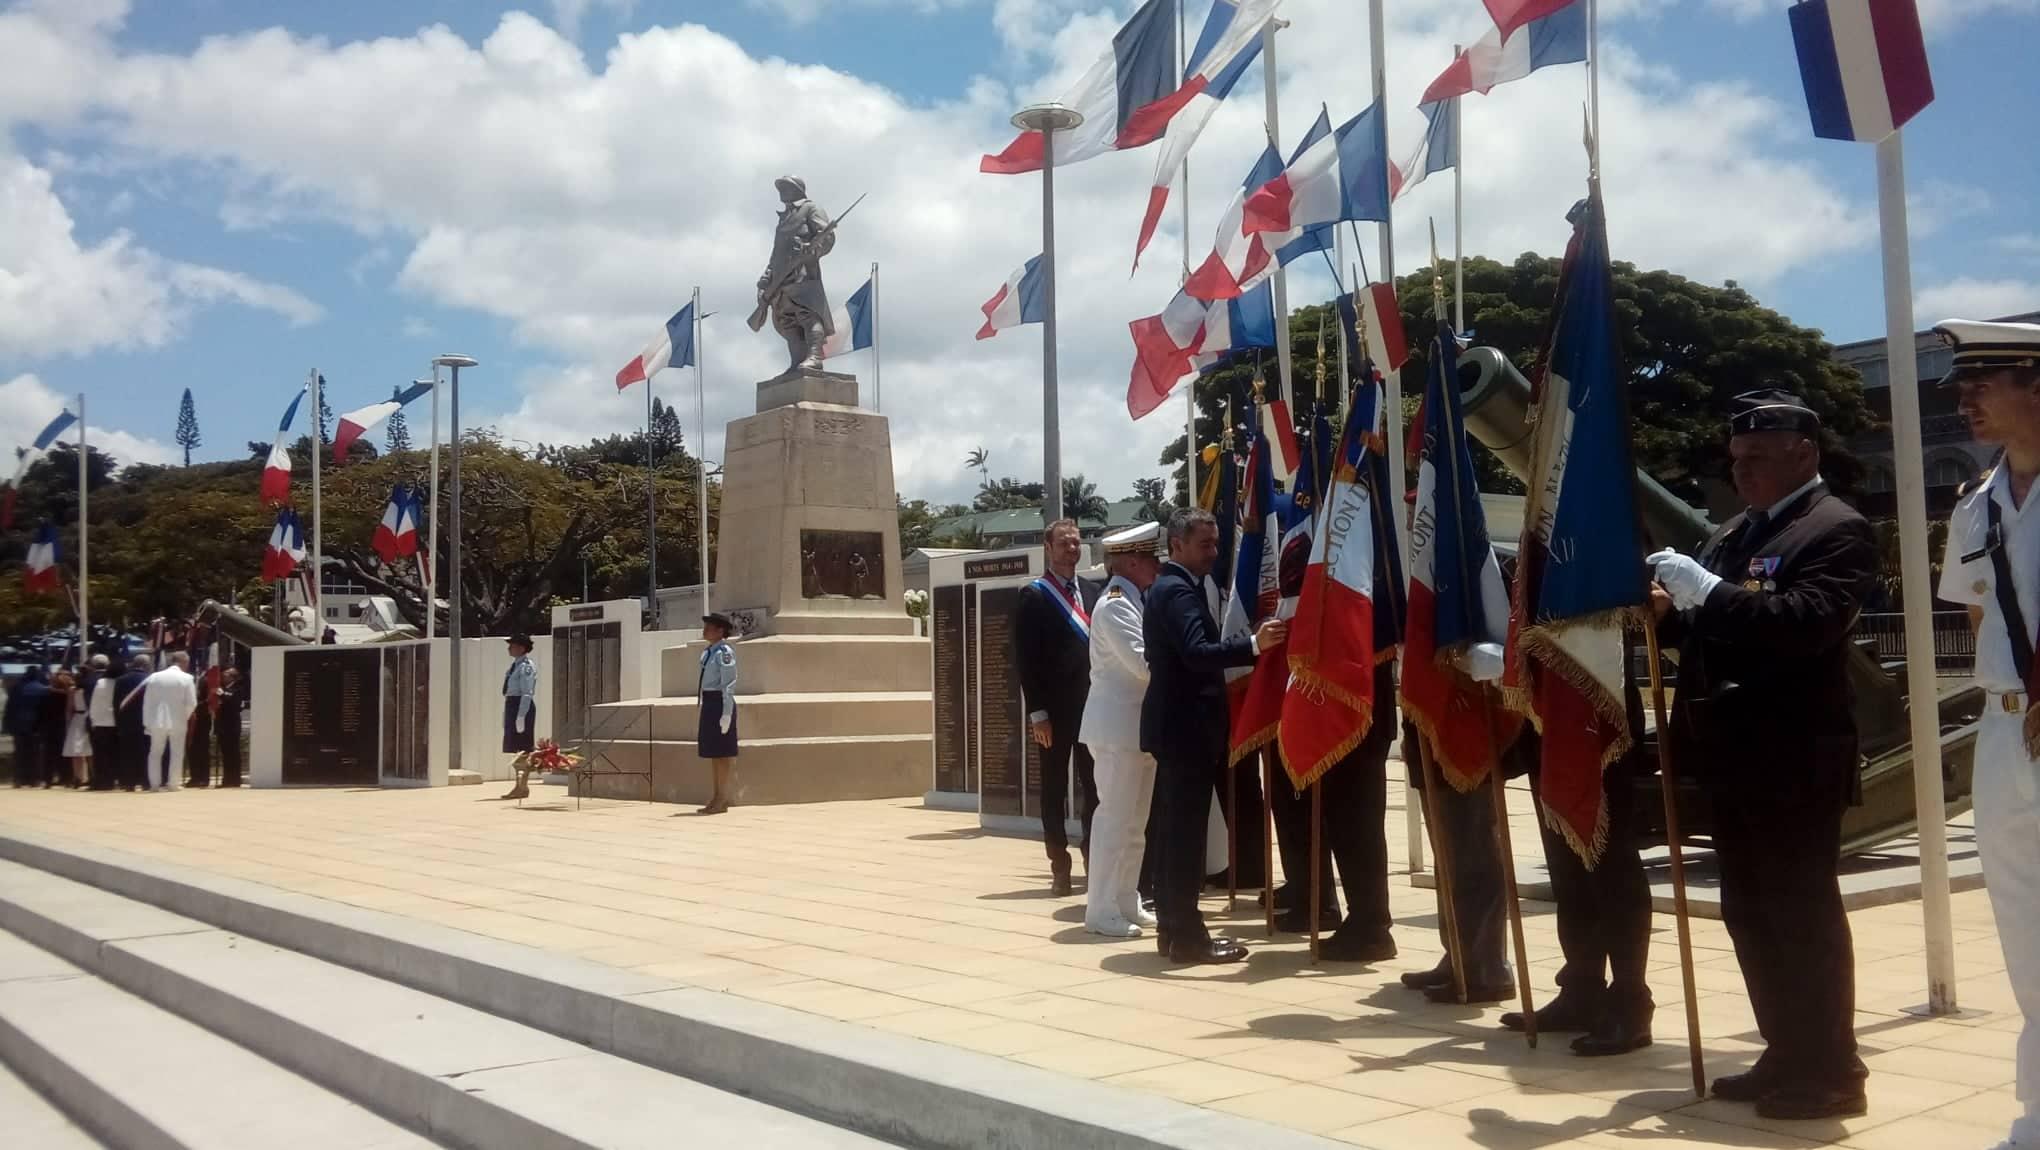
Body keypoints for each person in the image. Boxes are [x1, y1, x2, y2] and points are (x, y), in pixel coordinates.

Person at [1650, 387, 1877, 1120]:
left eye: (1758, 457)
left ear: (1803, 455)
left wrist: (1708, 593)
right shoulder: (1734, 532)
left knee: (1801, 913)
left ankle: (1833, 1069)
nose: (1742, 470)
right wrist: (1669, 617)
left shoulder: (1834, 529)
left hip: (1794, 753)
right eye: (1737, 457)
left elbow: (1805, 623)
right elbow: (1711, 633)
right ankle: (1786, 1049)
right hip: (1731, 751)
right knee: (1750, 912)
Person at [1931, 318, 2040, 1150]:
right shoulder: (1978, 503)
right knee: (2025, 933)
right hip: (2008, 735)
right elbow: (1979, 614)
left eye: (1983, 385)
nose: (1965, 401)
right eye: (1962, 388)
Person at [1141, 508, 1285, 965]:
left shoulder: (1172, 587)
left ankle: (1173, 930)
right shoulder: (1176, 590)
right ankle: (1187, 937)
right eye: (1204, 544)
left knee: (1175, 835)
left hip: (1179, 728)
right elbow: (1196, 652)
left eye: (1216, 543)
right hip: (1186, 730)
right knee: (1184, 839)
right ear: (1177, 545)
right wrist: (1254, 645)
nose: (1214, 553)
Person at [1079, 522, 1164, 937]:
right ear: (1131, 562)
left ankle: (1127, 899)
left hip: (1136, 729)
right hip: (1117, 730)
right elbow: (1143, 664)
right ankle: (1100, 908)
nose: (1156, 565)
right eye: (1150, 558)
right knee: (1114, 820)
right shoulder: (1115, 605)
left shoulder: (1133, 600)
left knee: (1135, 823)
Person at [1014, 519, 1102, 896]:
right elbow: (1026, 660)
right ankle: (1059, 864)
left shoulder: (1094, 592)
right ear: (1048, 548)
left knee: (1095, 787)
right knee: (1053, 789)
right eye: (1064, 543)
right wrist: (1038, 713)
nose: (1072, 549)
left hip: (1092, 709)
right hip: (1053, 713)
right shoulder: (1034, 596)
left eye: (1076, 542)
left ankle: (1092, 857)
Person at [134, 652, 199, 791]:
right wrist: (184, 716)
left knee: (155, 753)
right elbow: (191, 703)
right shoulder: (187, 678)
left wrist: (147, 722)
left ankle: (154, 784)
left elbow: (147, 702)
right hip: (178, 720)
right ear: (184, 662)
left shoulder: (154, 677)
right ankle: (173, 783)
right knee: (177, 753)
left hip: (156, 720)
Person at [696, 613, 741, 814]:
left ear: (720, 631)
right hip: (709, 702)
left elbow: (728, 684)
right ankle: (716, 796)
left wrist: (726, 713)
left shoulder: (724, 652)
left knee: (722, 754)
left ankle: (722, 798)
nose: (705, 630)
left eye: (709, 627)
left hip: (720, 703)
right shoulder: (709, 652)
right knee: (713, 753)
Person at [501, 634, 539, 797]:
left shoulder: (526, 666)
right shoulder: (514, 666)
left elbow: (527, 693)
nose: (509, 648)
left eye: (513, 645)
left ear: (522, 648)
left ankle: (522, 786)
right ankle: (519, 785)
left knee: (523, 748)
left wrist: (521, 715)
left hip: (521, 705)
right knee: (514, 747)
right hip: (512, 704)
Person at [6, 666, 50, 788]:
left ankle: (18, 779)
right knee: (35, 753)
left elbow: (10, 708)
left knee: (19, 753)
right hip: (36, 725)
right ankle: (34, 779)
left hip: (19, 724)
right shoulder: (43, 689)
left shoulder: (16, 688)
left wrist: (9, 725)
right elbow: (45, 710)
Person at [112, 655, 151, 790]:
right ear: (146, 665)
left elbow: (116, 703)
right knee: (145, 752)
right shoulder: (150, 679)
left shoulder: (120, 680)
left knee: (128, 753)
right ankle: (146, 781)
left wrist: (118, 722)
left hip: (126, 721)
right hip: (146, 721)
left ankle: (129, 782)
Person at [86, 654, 119, 791]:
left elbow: (94, 703)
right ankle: (113, 779)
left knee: (99, 754)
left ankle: (101, 781)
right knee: (113, 753)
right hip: (115, 722)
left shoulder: (98, 682)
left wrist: (93, 720)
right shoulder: (119, 681)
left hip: (100, 722)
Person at [40, 668, 74, 787]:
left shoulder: (47, 693)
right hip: (64, 726)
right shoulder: (70, 694)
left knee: (49, 754)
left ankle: (47, 779)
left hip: (50, 726)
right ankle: (66, 778)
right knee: (65, 754)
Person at [59, 668, 91, 787]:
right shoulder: (82, 689)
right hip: (84, 717)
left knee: (77, 750)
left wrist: (68, 723)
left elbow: (69, 709)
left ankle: (79, 776)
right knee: (83, 750)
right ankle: (82, 777)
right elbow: (69, 708)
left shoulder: (73, 690)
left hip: (78, 718)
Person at [215, 667, 246, 787]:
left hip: (232, 725)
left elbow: (235, 704)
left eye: (226, 675)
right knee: (226, 753)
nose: (223, 677)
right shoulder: (223, 688)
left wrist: (223, 695)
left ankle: (235, 779)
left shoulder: (238, 688)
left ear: (233, 677)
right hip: (223, 725)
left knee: (233, 753)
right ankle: (227, 779)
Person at [186, 669, 215, 787]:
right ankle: (195, 777)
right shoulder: (189, 680)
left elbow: (208, 701)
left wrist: (194, 707)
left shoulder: (206, 682)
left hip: (202, 719)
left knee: (202, 749)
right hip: (191, 719)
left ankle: (203, 778)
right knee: (192, 749)